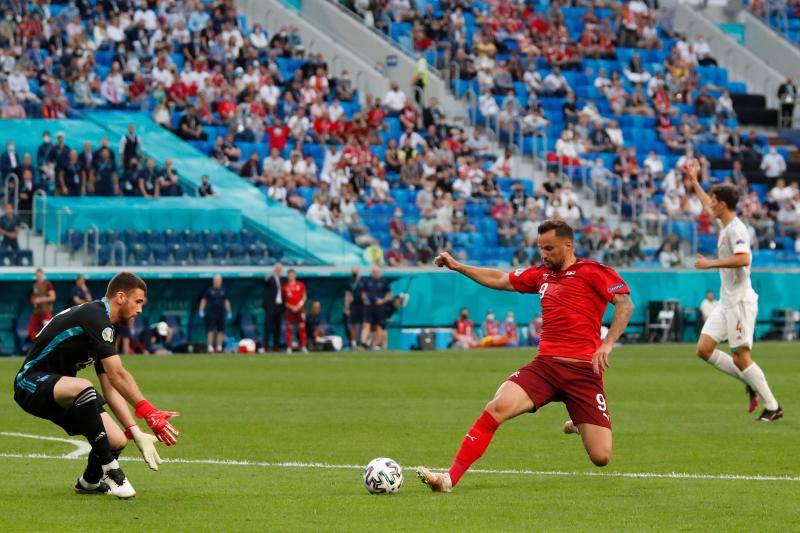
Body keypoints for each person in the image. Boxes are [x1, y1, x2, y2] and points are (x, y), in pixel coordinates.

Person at [417, 219, 634, 493]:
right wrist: (459, 267)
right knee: (497, 407)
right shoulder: (541, 274)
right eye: (541, 248)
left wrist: (608, 342)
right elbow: (501, 278)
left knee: (601, 457)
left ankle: (581, 423)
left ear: (568, 245)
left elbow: (625, 303)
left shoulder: (593, 272)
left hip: (583, 373)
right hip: (544, 367)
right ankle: (448, 479)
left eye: (549, 248)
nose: (543, 254)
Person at [13, 272, 179, 499]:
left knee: (117, 440)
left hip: (64, 391)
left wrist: (134, 431)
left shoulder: (104, 326)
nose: (140, 309)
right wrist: (148, 411)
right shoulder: (95, 316)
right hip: (30, 383)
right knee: (83, 386)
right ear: (120, 297)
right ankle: (113, 472)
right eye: (138, 301)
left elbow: (111, 388)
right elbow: (118, 373)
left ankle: (89, 482)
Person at [687, 166, 782, 422]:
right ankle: (748, 379)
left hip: (740, 302)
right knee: (704, 348)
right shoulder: (724, 222)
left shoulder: (737, 230)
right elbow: (706, 203)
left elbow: (743, 258)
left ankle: (773, 406)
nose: (711, 205)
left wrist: (710, 264)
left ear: (724, 205)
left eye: (715, 201)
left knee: (741, 356)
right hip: (726, 301)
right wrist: (695, 181)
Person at [360, 266, 393, 350]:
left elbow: (390, 294)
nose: (376, 273)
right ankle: (363, 344)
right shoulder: (368, 281)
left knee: (380, 326)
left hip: (380, 307)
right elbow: (363, 293)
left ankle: (375, 345)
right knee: (366, 324)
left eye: (377, 271)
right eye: (374, 272)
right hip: (369, 306)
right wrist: (365, 299)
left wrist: (382, 301)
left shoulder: (384, 282)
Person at [199, 274, 232, 353]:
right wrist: (201, 310)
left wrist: (229, 311)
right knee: (211, 330)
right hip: (211, 313)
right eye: (217, 280)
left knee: (220, 330)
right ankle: (210, 346)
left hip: (220, 313)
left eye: (219, 281)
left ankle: (219, 346)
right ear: (214, 281)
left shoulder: (223, 290)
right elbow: (204, 300)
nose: (218, 282)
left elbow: (226, 301)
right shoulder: (209, 290)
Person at [282, 268, 307, 353]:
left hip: (300, 309)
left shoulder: (300, 285)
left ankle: (303, 346)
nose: (291, 277)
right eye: (289, 275)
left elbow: (304, 297)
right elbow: (284, 301)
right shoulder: (285, 287)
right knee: (289, 328)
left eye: (292, 275)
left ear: (295, 276)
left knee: (302, 327)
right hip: (290, 310)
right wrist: (291, 307)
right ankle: (289, 347)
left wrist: (299, 306)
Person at [28, 268, 56, 341]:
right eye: (37, 275)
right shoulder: (35, 285)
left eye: (40, 275)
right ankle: (36, 345)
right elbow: (34, 296)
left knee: (48, 330)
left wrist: (41, 300)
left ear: (43, 275)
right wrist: (33, 300)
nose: (38, 277)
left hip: (46, 310)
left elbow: (52, 297)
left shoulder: (48, 284)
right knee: (31, 329)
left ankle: (49, 347)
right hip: (37, 311)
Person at [262, 264, 283, 351]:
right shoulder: (271, 278)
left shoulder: (281, 280)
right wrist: (267, 277)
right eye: (277, 269)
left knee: (277, 327)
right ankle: (265, 346)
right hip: (271, 306)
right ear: (274, 270)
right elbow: (266, 281)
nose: (278, 271)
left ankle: (276, 347)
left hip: (279, 306)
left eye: (280, 270)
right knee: (268, 326)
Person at [343, 267, 363, 350]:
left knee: (364, 324)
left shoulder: (363, 281)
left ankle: (363, 342)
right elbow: (347, 295)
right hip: (353, 305)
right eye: (353, 272)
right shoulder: (350, 282)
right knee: (353, 325)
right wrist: (346, 307)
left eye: (355, 271)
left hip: (363, 306)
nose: (354, 273)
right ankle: (354, 343)